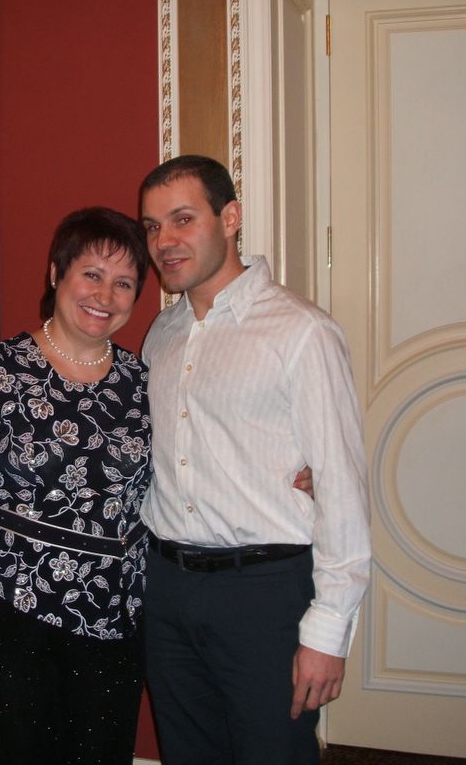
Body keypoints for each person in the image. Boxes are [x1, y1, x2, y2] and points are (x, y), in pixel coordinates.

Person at [137, 155, 371, 765]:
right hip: (166, 586)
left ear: (230, 218)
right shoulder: (161, 334)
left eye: (183, 219)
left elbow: (342, 487)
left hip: (264, 593)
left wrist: (329, 630)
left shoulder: (301, 332)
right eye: (153, 227)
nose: (165, 241)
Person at [0, 206, 154, 765]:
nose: (106, 295)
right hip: (10, 617)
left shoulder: (142, 384)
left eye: (123, 283)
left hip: (113, 621)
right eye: (92, 274)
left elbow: (189, 468)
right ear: (56, 273)